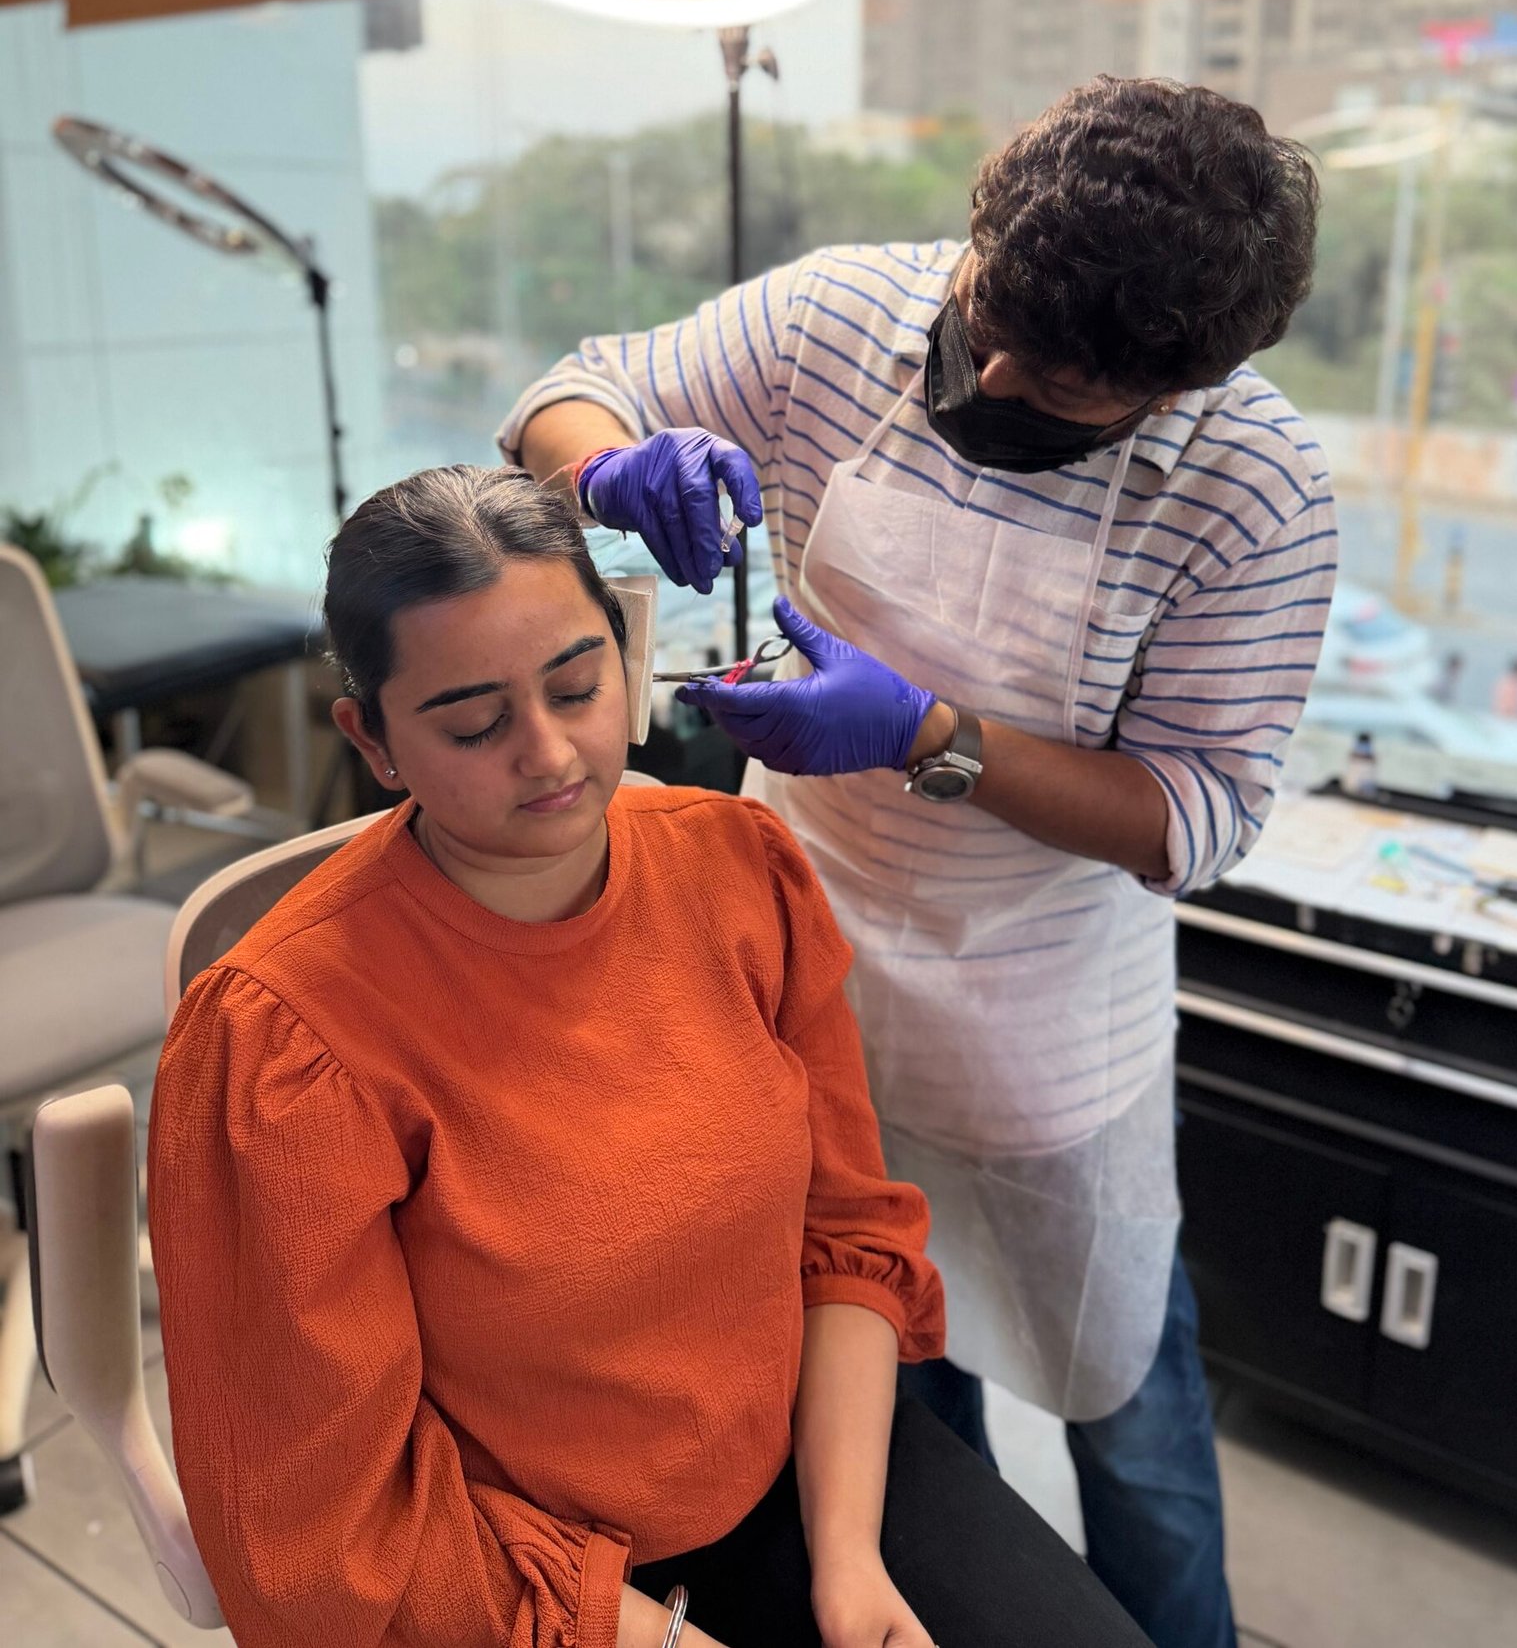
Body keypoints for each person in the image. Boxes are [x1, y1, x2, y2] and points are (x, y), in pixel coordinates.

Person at [505, 77, 1337, 1648]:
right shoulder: (844, 313)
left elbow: (1196, 812)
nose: (999, 373)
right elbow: (578, 384)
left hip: (1041, 1026)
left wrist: (924, 735)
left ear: (1180, 385)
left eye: (1061, 383)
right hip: (801, 959)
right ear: (983, 229)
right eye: (992, 318)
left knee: (1131, 1423)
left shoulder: (1255, 490)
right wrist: (612, 466)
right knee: (883, 1369)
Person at [147, 465, 1149, 1648]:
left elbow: (846, 1237)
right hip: (518, 1571)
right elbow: (329, 1524)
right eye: (473, 723)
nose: (549, 753)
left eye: (577, 685)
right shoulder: (288, 1041)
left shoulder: (736, 870)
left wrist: (847, 1559)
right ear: (373, 739)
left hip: (803, 1466)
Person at [1491, 656, 1517, 722]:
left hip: (1504, 718)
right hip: (1507, 719)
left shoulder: (1505, 682)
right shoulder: (1512, 685)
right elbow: (1509, 706)